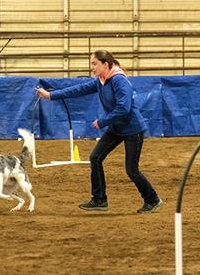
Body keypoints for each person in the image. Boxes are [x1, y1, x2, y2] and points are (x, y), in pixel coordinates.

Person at [35, 49, 161, 214]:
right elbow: (78, 90)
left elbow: (124, 108)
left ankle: (152, 200)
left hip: (133, 130)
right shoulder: (100, 81)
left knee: (132, 170)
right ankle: (99, 199)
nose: (92, 67)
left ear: (105, 64)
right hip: (116, 127)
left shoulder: (119, 80)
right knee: (95, 158)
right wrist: (50, 95)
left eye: (94, 64)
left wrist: (102, 121)